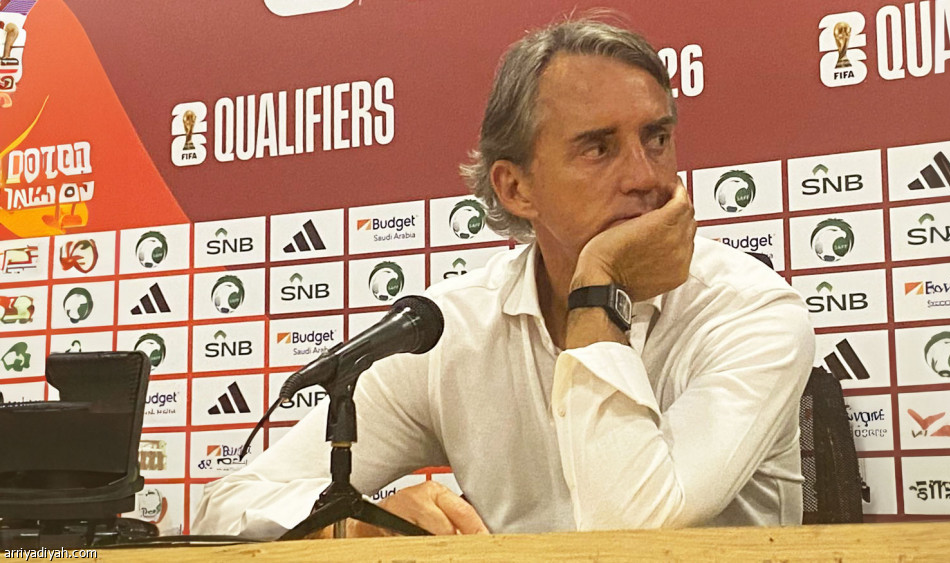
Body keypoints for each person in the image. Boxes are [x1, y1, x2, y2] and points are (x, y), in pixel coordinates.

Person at [193, 16, 814, 539]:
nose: (646, 176)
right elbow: (228, 506)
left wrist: (597, 286)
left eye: (656, 139)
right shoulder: (451, 331)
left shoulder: (750, 311)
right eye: (598, 148)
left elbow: (630, 531)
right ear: (516, 188)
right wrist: (354, 524)